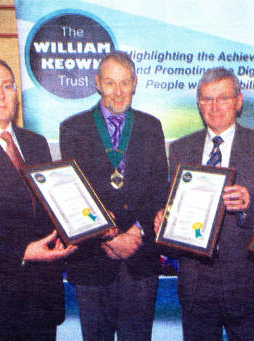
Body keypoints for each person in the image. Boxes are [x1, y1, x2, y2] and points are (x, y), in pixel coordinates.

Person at [0, 56, 77, 340]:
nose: (0, 95)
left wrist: (70, 230)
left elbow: (45, 213)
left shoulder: (36, 143)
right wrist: (21, 251)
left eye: (7, 86)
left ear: (16, 93)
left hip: (41, 300)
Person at [155, 67, 254, 340]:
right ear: (199, 104)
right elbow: (174, 204)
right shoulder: (181, 148)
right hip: (195, 286)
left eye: (223, 98)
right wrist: (164, 218)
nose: (214, 107)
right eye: (206, 99)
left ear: (238, 101)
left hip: (247, 283)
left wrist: (250, 203)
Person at [59, 51, 169, 341]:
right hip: (92, 259)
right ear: (97, 83)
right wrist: (108, 236)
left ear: (135, 83)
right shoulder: (72, 129)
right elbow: (73, 195)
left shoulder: (151, 127)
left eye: (124, 83)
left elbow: (160, 190)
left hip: (140, 255)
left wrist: (136, 230)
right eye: (110, 83)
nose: (118, 92)